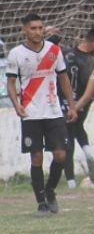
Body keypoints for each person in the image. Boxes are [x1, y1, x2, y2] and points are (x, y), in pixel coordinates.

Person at [5, 13, 77, 217]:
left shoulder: (54, 50)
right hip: (30, 112)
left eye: (40, 28)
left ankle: (51, 190)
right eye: (33, 28)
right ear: (24, 30)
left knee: (61, 154)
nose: (38, 32)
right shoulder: (16, 54)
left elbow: (63, 78)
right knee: (36, 157)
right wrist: (16, 104)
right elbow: (10, 83)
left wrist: (71, 106)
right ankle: (41, 203)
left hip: (53, 110)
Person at [59, 27, 94, 189]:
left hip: (63, 104)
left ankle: (71, 182)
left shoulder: (64, 54)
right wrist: (77, 108)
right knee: (78, 127)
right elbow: (88, 94)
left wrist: (69, 107)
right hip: (80, 106)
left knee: (67, 139)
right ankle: (87, 152)